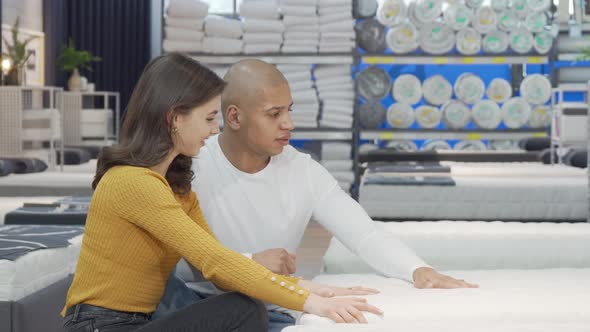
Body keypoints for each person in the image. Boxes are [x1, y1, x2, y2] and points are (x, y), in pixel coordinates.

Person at [61, 53, 382, 332]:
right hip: (100, 326)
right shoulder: (133, 182)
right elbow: (215, 260)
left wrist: (311, 290)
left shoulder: (178, 189)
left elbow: (218, 271)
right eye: (209, 118)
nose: (215, 129)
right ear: (174, 119)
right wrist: (309, 302)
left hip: (137, 323)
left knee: (241, 304)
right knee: (240, 310)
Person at [155, 59, 478, 331]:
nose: (289, 124)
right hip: (186, 304)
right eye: (274, 114)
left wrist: (418, 270)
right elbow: (163, 263)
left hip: (268, 307)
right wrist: (252, 262)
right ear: (235, 117)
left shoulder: (303, 171)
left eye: (289, 111)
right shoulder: (191, 164)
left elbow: (364, 233)